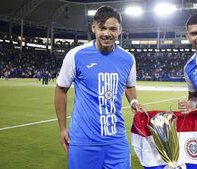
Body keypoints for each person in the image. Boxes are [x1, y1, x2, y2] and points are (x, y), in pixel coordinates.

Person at [54, 6, 143, 169]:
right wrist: (62, 128)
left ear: (120, 30)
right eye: (102, 28)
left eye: (112, 29)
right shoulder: (76, 55)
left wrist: (134, 102)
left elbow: (129, 86)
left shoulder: (128, 59)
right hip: (83, 140)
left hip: (116, 139)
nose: (107, 33)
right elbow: (61, 90)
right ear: (94, 27)